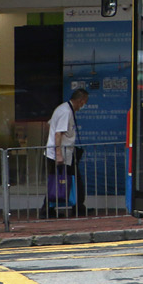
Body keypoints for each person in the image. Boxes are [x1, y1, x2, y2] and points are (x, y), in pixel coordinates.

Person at [43, 87, 90, 217]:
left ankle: (76, 207)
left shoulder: (64, 109)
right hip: (59, 154)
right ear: (80, 101)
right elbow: (58, 134)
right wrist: (59, 154)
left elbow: (50, 125)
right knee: (58, 182)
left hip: (64, 153)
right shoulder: (66, 112)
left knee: (63, 181)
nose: (83, 105)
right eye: (84, 102)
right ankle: (48, 209)